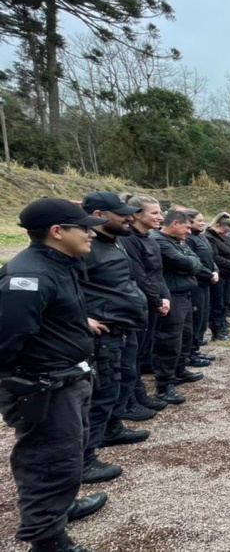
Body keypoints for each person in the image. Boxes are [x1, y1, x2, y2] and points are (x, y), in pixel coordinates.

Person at [0, 198, 108, 552]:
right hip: (45, 385)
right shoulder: (29, 276)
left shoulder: (62, 263)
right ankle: (47, 537)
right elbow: (7, 340)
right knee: (48, 460)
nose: (91, 232)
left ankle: (61, 508)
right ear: (57, 232)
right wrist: (24, 382)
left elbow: (56, 314)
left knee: (69, 452)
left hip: (67, 378)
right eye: (83, 227)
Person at [78, 191, 150, 487]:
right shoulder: (84, 247)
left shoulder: (114, 241)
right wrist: (80, 319)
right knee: (100, 393)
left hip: (123, 328)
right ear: (97, 215)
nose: (129, 217)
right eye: (121, 213)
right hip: (103, 333)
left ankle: (112, 427)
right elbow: (64, 286)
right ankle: (84, 460)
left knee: (119, 382)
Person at [119, 195, 169, 419]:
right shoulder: (129, 240)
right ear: (137, 214)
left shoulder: (150, 238)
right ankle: (129, 401)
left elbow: (158, 273)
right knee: (132, 355)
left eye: (160, 212)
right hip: (141, 303)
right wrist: (158, 300)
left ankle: (139, 394)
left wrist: (164, 296)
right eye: (155, 213)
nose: (160, 217)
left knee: (141, 352)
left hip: (153, 302)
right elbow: (139, 276)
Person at [150, 210, 206, 405]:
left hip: (184, 294)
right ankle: (164, 384)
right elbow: (185, 262)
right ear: (174, 223)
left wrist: (189, 264)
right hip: (171, 296)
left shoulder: (176, 241)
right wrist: (189, 265)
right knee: (169, 340)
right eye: (187, 227)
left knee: (185, 335)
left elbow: (195, 262)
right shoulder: (158, 240)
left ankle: (179, 371)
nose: (189, 232)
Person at [184, 209, 216, 367]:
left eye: (203, 220)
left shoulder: (201, 237)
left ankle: (196, 349)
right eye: (199, 220)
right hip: (196, 283)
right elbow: (194, 263)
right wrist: (210, 274)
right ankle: (190, 353)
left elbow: (210, 258)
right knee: (195, 320)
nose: (202, 223)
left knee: (203, 317)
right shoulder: (188, 239)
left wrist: (214, 270)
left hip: (206, 282)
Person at [205, 215, 230, 342]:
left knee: (225, 302)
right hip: (219, 274)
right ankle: (216, 330)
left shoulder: (223, 237)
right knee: (217, 304)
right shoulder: (209, 237)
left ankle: (222, 324)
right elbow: (215, 257)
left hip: (228, 274)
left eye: (227, 232)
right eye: (224, 231)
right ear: (218, 225)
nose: (225, 233)